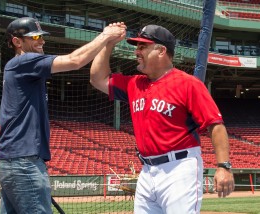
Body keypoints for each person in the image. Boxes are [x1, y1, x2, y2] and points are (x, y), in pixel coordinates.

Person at [90, 24, 235, 214]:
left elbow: (216, 126)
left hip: (179, 169)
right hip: (148, 170)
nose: (137, 51)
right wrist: (108, 43)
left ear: (161, 50)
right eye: (137, 47)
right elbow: (97, 78)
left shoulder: (188, 84)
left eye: (143, 46)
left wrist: (223, 166)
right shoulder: (135, 84)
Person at [0, 17, 126, 213]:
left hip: (13, 161)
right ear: (17, 42)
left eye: (42, 37)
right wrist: (105, 35)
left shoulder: (21, 67)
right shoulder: (24, 61)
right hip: (23, 161)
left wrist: (107, 43)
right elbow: (75, 61)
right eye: (36, 37)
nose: (42, 41)